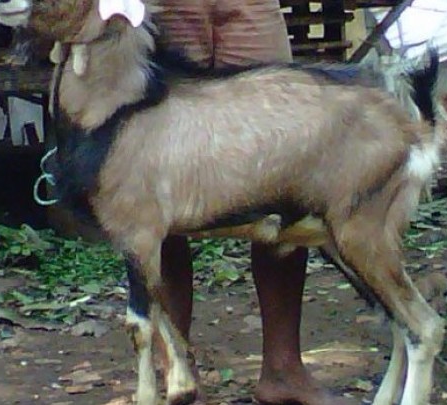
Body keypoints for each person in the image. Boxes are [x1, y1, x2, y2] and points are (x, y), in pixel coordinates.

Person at [151, 2, 352, 404]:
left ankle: (282, 371)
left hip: (250, 6)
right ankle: (173, 377)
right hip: (162, 8)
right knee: (155, 182)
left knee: (282, 174)